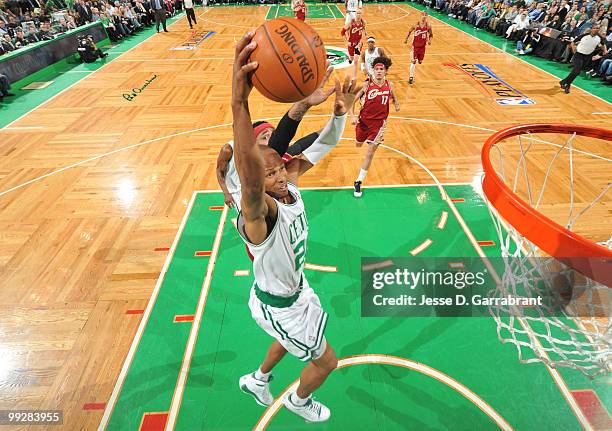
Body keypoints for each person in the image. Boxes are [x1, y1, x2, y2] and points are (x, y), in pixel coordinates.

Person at [231, 31, 359, 423]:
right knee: (326, 363)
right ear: (256, 180)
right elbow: (250, 177)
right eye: (268, 174)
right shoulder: (259, 214)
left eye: (279, 168)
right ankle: (298, 401)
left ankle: (258, 379)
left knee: (287, 344)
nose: (278, 176)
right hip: (279, 305)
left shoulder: (289, 182)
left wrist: (339, 113)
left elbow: (321, 146)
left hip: (295, 292)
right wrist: (239, 99)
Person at [217, 66, 335, 211]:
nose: (270, 137)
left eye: (272, 133)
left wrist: (335, 122)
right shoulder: (248, 175)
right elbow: (279, 141)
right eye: (264, 136)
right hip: (246, 202)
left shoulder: (278, 159)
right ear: (252, 143)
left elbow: (300, 144)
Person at [350, 56, 400, 198]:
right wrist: (352, 116)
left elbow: (394, 96)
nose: (379, 71)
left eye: (381, 69)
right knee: (358, 144)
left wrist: (396, 103)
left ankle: (358, 181)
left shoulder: (389, 85)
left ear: (385, 71)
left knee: (370, 152)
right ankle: (361, 139)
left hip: (379, 125)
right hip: (364, 122)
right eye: (377, 69)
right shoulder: (366, 85)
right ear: (373, 71)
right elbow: (352, 101)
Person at [559, 24, 607, 93]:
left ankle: (563, 82)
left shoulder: (599, 38)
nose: (596, 29)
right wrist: (574, 51)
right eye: (594, 28)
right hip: (579, 55)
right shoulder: (584, 35)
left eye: (597, 28)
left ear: (598, 30)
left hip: (587, 57)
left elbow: (603, 44)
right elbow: (573, 42)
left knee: (576, 72)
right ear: (591, 29)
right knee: (576, 71)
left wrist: (605, 50)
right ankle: (567, 85)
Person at [404, 11, 433, 84]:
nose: (424, 17)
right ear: (420, 16)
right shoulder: (415, 25)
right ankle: (411, 77)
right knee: (413, 62)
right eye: (423, 15)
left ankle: (417, 59)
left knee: (420, 62)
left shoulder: (428, 26)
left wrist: (430, 40)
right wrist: (406, 39)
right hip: (415, 46)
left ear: (427, 17)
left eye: (425, 16)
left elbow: (431, 34)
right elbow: (409, 31)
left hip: (423, 47)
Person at [341, 9, 366, 77]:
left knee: (355, 61)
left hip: (358, 44)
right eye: (357, 13)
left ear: (362, 14)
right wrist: (346, 42)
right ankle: (349, 58)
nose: (358, 15)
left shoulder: (363, 23)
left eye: (360, 13)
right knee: (352, 58)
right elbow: (342, 32)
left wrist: (361, 42)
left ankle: (354, 76)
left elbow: (364, 33)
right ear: (355, 14)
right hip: (351, 43)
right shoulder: (351, 23)